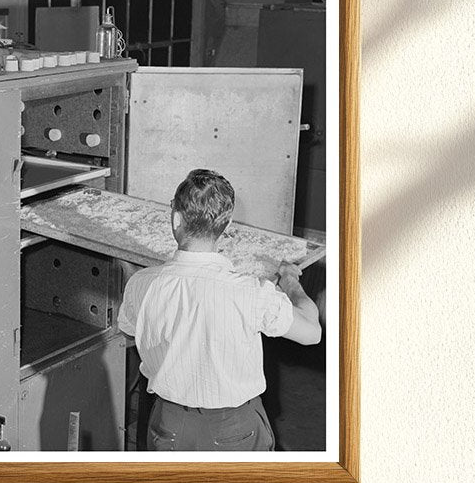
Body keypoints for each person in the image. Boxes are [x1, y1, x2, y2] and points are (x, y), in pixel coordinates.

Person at [118, 169, 322, 452]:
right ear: (225, 227)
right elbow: (312, 333)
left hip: (169, 425)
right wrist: (289, 281)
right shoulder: (251, 291)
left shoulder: (141, 284)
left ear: (176, 219)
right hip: (234, 428)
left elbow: (129, 330)